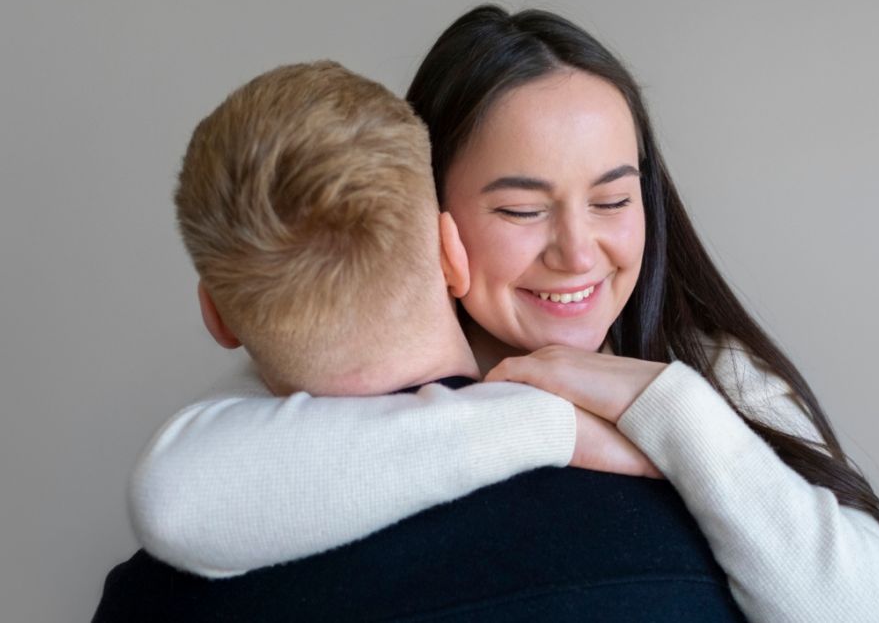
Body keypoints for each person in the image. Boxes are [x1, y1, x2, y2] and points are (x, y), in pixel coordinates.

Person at [128, 6, 879, 622]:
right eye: (522, 211)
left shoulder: (715, 374)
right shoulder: (332, 383)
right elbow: (180, 498)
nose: (578, 252)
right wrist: (545, 418)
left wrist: (671, 411)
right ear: (433, 224)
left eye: (614, 197)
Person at [96, 59, 744, 621]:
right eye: (521, 210)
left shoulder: (154, 598)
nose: (575, 252)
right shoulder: (706, 544)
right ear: (451, 251)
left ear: (217, 315)